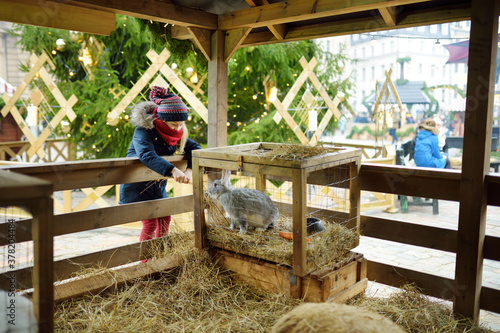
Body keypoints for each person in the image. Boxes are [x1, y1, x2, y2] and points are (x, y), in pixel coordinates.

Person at [119, 86, 201, 243]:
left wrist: (190, 169)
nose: (178, 129)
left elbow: (194, 147)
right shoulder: (144, 130)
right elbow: (146, 155)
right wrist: (172, 169)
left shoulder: (175, 134)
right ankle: (147, 263)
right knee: (150, 223)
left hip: (157, 187)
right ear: (163, 121)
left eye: (181, 125)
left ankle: (161, 258)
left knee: (165, 220)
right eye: (174, 125)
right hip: (138, 186)